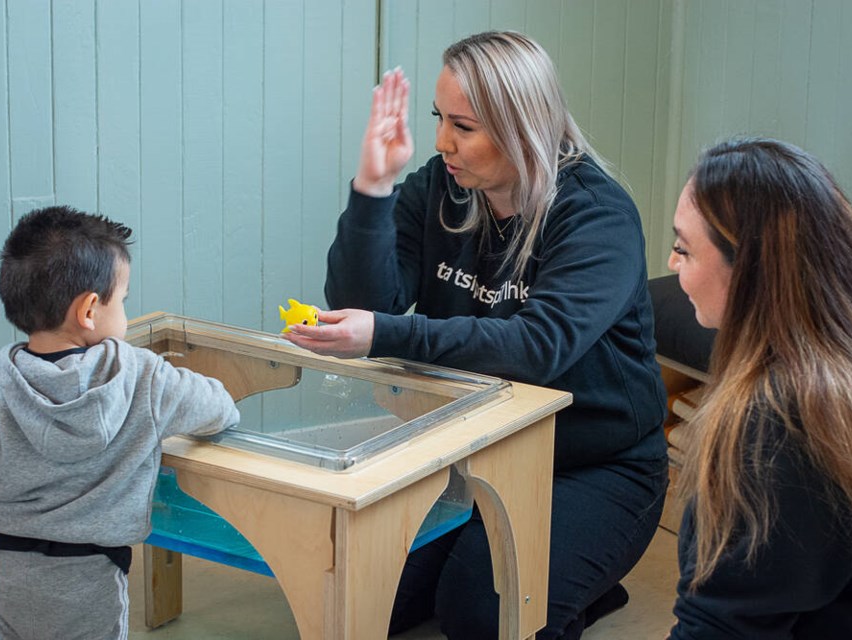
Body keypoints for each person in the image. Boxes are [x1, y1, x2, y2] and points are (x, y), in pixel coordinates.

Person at [284, 31, 668, 639]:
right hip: (466, 452)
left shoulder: (597, 214)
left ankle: (575, 584)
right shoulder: (441, 185)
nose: (441, 143)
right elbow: (363, 307)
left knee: (481, 614)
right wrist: (373, 187)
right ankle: (539, 577)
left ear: (521, 126)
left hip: (594, 465)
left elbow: (537, 348)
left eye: (462, 126)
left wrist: (391, 332)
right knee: (355, 589)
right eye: (439, 119)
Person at [666, 137, 852, 638]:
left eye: (683, 249)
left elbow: (720, 627)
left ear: (749, 273)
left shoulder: (781, 421)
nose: (673, 265)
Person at [0, 206, 240, 640]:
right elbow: (219, 408)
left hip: (15, 573)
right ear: (89, 309)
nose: (126, 313)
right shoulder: (143, 376)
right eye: (123, 301)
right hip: (95, 574)